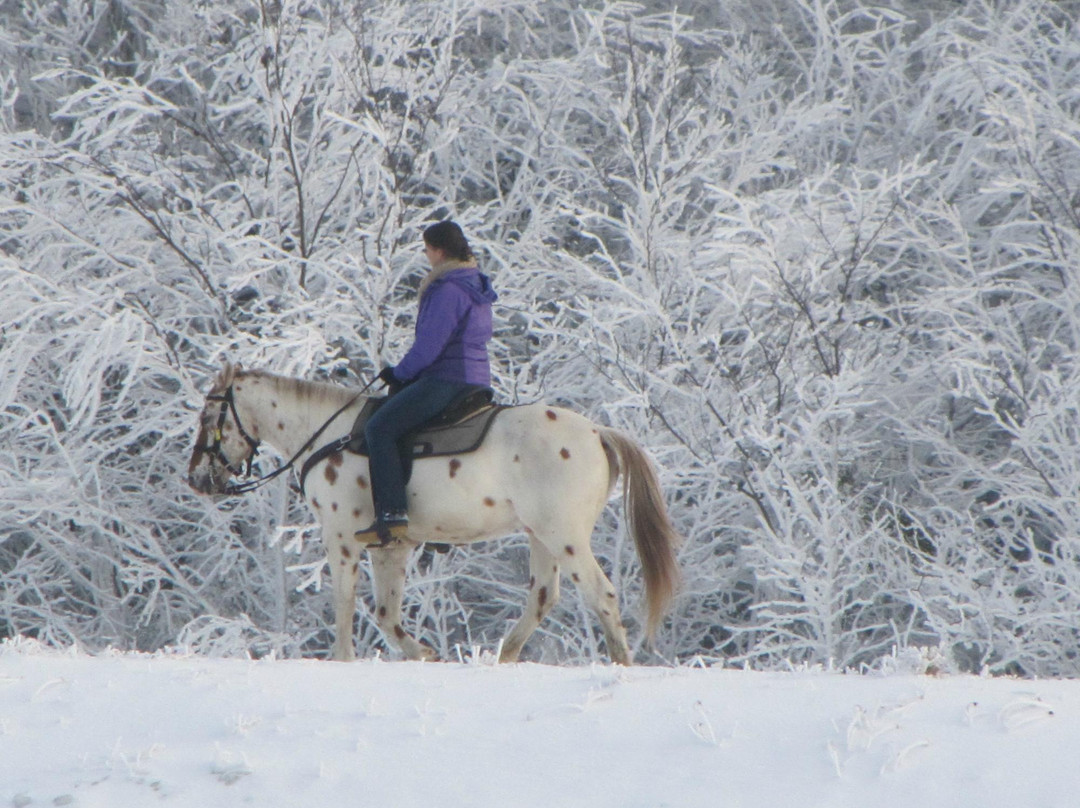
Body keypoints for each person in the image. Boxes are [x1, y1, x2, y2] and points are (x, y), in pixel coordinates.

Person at [356, 220, 498, 544]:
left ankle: (392, 514)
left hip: (447, 378)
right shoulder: (474, 284)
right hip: (475, 377)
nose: (425, 255)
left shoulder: (448, 288)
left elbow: (430, 346)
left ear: (438, 250)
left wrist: (399, 372)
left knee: (379, 428)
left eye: (426, 249)